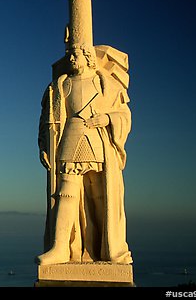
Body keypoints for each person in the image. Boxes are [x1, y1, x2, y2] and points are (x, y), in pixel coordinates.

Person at [36, 43, 132, 265]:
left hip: (96, 140)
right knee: (65, 195)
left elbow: (123, 114)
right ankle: (60, 248)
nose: (71, 59)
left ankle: (105, 248)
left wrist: (108, 119)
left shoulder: (105, 84)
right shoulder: (61, 85)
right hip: (70, 138)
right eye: (70, 55)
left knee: (100, 197)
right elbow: (47, 120)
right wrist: (44, 145)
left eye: (76, 54)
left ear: (88, 57)